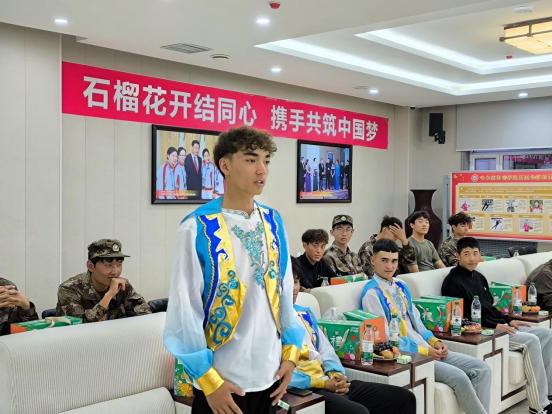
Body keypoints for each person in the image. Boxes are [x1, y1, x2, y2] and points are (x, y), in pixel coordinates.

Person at [163, 126, 304, 414]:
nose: (262, 170)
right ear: (225, 165)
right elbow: (185, 309)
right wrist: (208, 380)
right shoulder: (197, 227)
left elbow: (284, 292)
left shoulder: (273, 221)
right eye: (251, 159)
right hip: (221, 383)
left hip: (270, 377)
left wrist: (291, 354)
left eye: (266, 160)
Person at [361, 239, 492, 414]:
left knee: (482, 368)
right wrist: (424, 351)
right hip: (407, 355)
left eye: (394, 261)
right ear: (373, 261)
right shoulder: (371, 294)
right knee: (460, 377)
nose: (390, 266)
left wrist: (434, 341)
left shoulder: (400, 285)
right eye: (384, 260)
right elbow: (387, 338)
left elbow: (416, 319)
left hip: (427, 348)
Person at [290, 257, 417, 414]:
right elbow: (277, 376)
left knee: (404, 398)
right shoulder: (268, 324)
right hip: (306, 391)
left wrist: (337, 376)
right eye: (288, 282)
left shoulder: (304, 314)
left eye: (296, 282)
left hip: (328, 381)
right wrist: (322, 384)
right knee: (358, 412)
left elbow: (326, 350)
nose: (294, 288)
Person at [442, 237, 552, 414]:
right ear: (458, 256)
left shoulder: (479, 277)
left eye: (475, 253)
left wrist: (509, 320)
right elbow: (465, 318)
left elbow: (490, 308)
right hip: (483, 331)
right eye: (466, 254)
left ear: (480, 254)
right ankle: (538, 406)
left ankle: (549, 394)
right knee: (530, 341)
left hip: (499, 325)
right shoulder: (452, 283)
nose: (472, 258)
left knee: (547, 335)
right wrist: (495, 326)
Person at [56, 239, 151, 323]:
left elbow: (146, 315)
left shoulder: (123, 285)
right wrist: (109, 295)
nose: (115, 272)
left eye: (119, 264)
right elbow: (79, 327)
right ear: (91, 266)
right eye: (108, 265)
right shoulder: (69, 289)